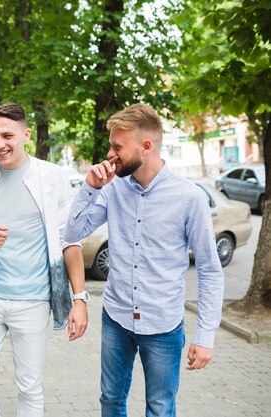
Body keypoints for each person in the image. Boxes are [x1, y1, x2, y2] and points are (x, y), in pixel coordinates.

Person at [63, 103, 224, 416]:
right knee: (110, 399)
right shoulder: (113, 189)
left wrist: (205, 337)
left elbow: (209, 271)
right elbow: (72, 232)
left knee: (160, 409)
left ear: (146, 146)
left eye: (117, 146)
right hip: (116, 318)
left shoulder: (189, 198)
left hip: (163, 326)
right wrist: (90, 188)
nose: (111, 154)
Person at [0, 102, 88, 417]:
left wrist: (80, 298)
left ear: (26, 134)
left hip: (33, 300)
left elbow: (69, 242)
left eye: (7, 135)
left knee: (29, 387)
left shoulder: (53, 177)